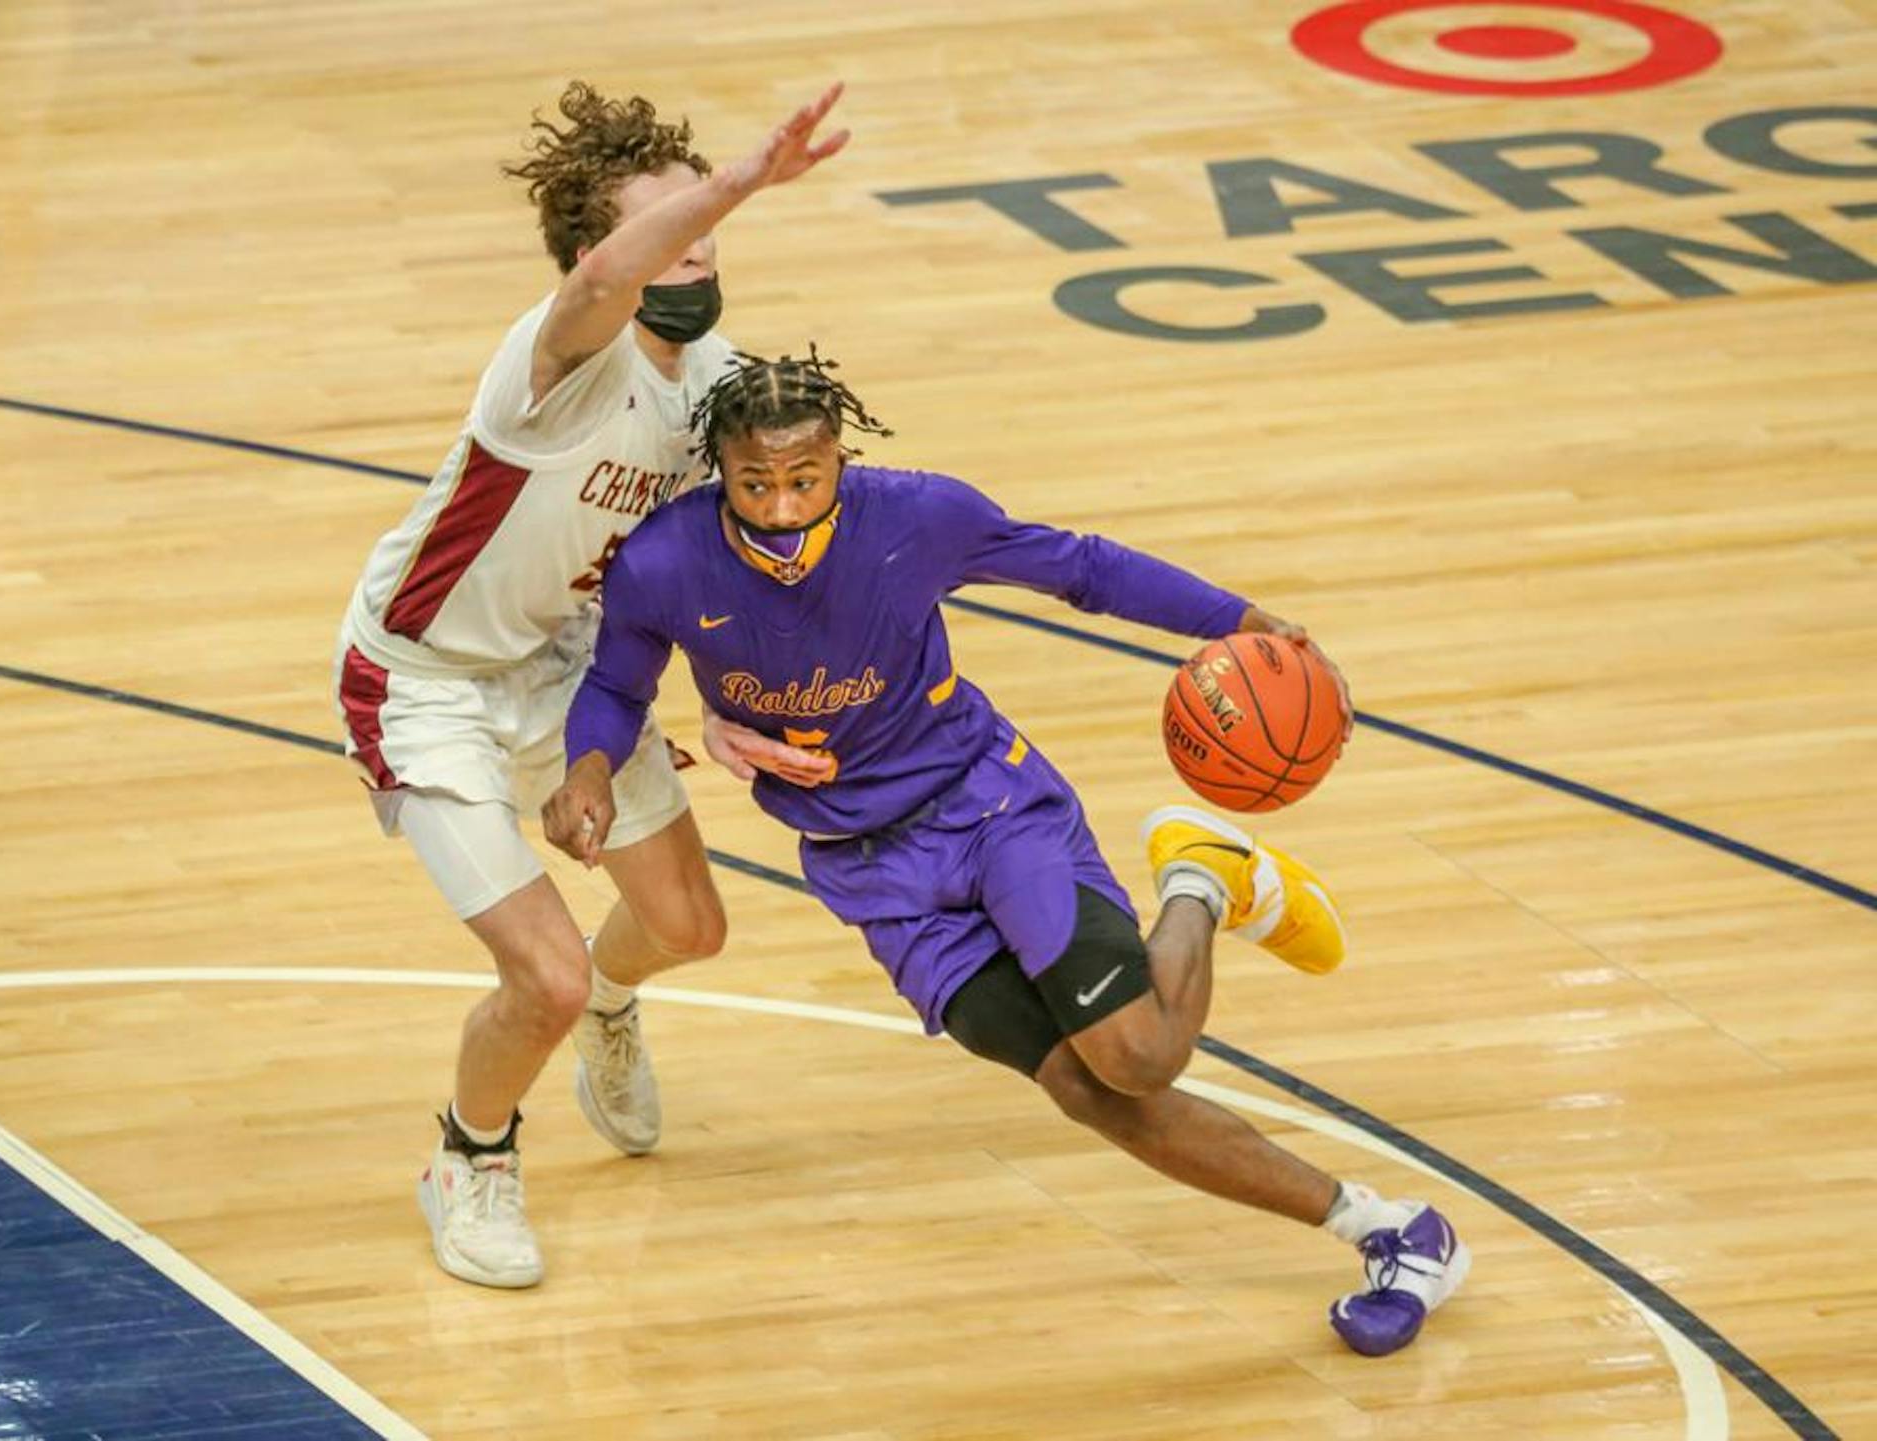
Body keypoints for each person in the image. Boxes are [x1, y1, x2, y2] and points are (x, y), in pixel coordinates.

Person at [542, 349, 1469, 1355]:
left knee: (1142, 1054)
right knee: (1084, 1089)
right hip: (871, 875)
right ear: (720, 466)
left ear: (840, 460)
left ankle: (1204, 876)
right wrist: (587, 767)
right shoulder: (666, 563)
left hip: (988, 807)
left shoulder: (917, 518)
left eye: (803, 478)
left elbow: (1080, 568)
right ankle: (1391, 1230)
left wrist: (1237, 618)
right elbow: (618, 687)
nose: (777, 505)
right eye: (754, 482)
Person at [332, 84, 849, 1289]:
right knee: (544, 974)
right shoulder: (554, 356)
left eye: (709, 220)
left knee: (687, 928)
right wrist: (739, 176)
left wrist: (720, 706)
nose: (703, 238)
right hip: (426, 678)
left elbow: (700, 566)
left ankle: (614, 1010)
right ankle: (471, 1156)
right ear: (601, 256)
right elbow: (606, 281)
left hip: (563, 661)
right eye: (672, 222)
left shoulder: (716, 380)